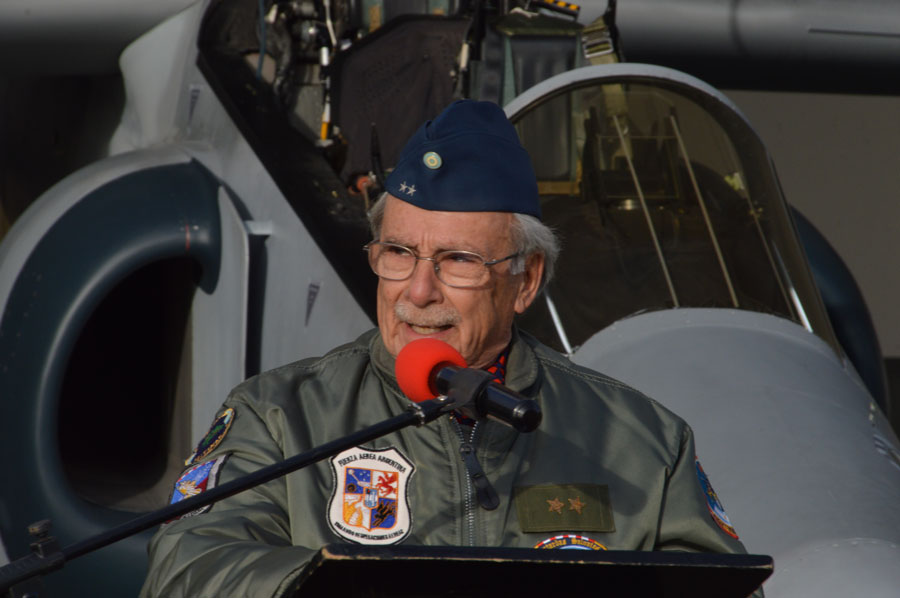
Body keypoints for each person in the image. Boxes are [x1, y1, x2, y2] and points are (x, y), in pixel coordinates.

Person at [141, 100, 752, 597]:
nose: (419, 290)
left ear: (526, 281)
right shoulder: (278, 416)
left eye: (458, 260)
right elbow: (186, 568)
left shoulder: (643, 440)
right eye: (398, 253)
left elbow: (721, 586)